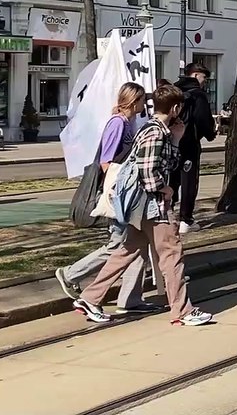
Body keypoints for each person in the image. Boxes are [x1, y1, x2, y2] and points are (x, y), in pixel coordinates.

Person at [73, 83, 213, 326]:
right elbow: (148, 172)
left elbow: (163, 163)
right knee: (172, 255)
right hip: (153, 207)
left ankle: (90, 298)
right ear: (175, 108)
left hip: (142, 207)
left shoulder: (154, 130)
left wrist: (176, 139)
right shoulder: (155, 133)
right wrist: (165, 189)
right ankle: (182, 311)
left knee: (126, 252)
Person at [55, 84, 159, 314]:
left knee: (136, 245)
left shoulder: (129, 123)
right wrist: (115, 189)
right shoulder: (117, 123)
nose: (145, 105)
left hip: (127, 193)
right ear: (134, 101)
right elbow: (106, 160)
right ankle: (71, 274)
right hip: (119, 193)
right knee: (118, 246)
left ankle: (131, 299)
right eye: (143, 100)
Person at [173, 63, 217, 234]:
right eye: (204, 77)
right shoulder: (198, 95)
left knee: (172, 179)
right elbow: (203, 119)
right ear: (196, 75)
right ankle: (186, 219)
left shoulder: (174, 90)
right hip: (189, 142)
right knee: (189, 181)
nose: (205, 81)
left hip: (172, 142)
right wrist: (210, 134)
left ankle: (167, 213)